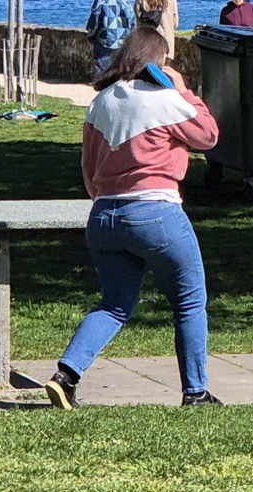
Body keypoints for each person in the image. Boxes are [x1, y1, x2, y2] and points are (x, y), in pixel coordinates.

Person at [43, 28, 222, 409]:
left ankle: (66, 376)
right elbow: (208, 136)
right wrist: (183, 90)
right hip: (157, 211)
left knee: (114, 304)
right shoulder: (165, 100)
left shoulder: (102, 101)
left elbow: (89, 169)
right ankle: (196, 392)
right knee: (189, 301)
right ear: (158, 62)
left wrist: (105, 198)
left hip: (104, 215)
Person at [84, 0, 135, 78]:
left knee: (102, 69)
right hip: (123, 39)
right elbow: (132, 20)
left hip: (105, 39)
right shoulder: (124, 0)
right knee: (120, 70)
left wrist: (90, 34)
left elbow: (94, 20)